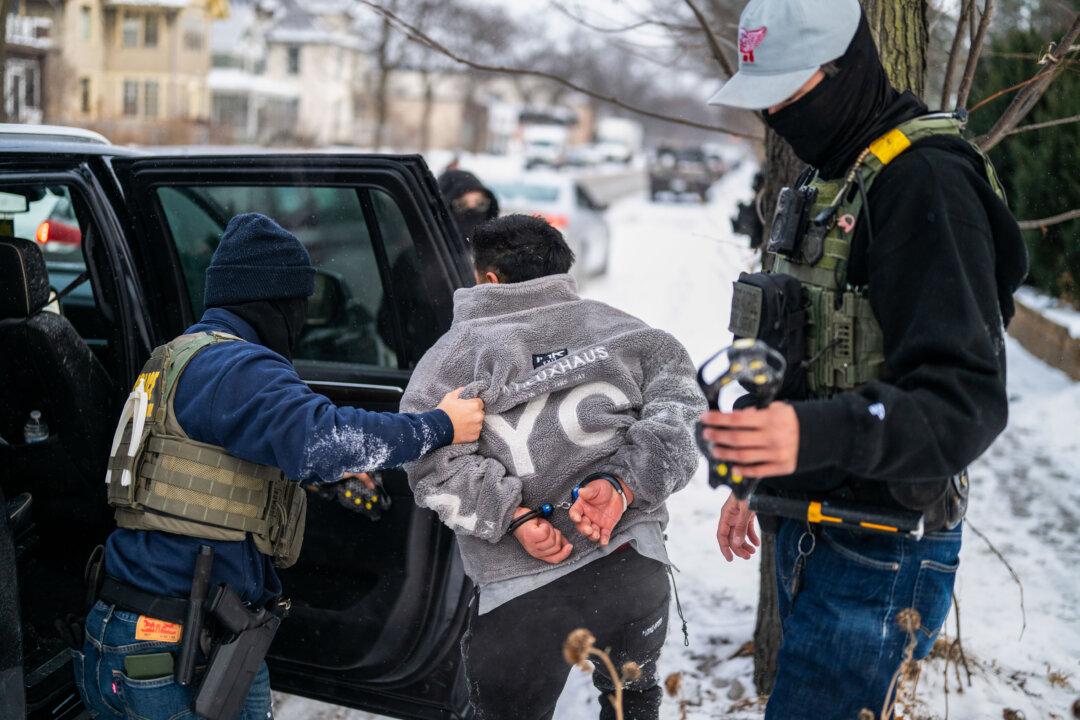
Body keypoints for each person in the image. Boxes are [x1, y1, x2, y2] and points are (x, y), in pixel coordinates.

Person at [700, 1, 1028, 718]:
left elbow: (963, 399)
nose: (778, 115)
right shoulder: (831, 181)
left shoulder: (926, 183)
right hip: (813, 521)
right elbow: (802, 348)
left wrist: (807, 435)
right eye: (766, 100)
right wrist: (756, 473)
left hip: (879, 556)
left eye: (790, 96)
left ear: (845, 72)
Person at [76, 213, 485, 719]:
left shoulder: (181, 357)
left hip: (152, 635)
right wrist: (440, 426)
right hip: (167, 649)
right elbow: (323, 440)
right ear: (272, 300)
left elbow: (208, 464)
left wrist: (321, 478)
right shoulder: (237, 366)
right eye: (299, 305)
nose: (301, 320)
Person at [400, 214, 705, 720]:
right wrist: (624, 485)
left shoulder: (451, 359)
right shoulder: (631, 333)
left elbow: (429, 461)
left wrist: (513, 516)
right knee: (632, 699)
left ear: (488, 280)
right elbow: (679, 415)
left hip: (523, 591)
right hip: (632, 564)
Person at [437, 168, 500, 241]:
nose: (472, 213)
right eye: (461, 205)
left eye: (481, 204)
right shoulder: (437, 247)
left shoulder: (499, 244)